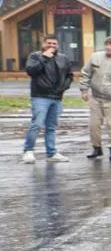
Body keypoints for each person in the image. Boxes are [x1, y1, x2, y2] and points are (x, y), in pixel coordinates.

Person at [21, 35, 74, 163]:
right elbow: (31, 71)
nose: (51, 46)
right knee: (37, 124)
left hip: (57, 97)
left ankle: (51, 153)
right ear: (43, 44)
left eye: (54, 43)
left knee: (51, 126)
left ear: (58, 45)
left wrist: (64, 87)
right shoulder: (35, 56)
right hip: (40, 96)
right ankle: (28, 151)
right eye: (49, 43)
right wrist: (44, 58)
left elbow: (69, 75)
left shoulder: (63, 58)